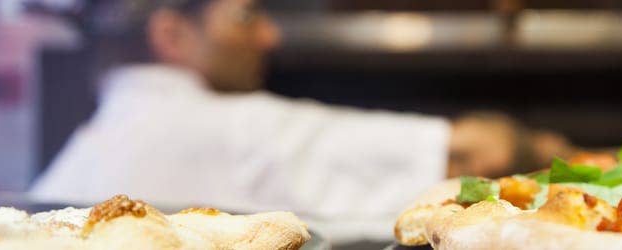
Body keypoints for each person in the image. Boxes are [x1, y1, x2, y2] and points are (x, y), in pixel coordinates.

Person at [30, 0, 572, 242]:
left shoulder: (82, 149)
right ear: (172, 35)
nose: (269, 36)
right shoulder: (236, 129)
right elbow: (482, 152)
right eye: (246, 15)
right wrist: (557, 150)